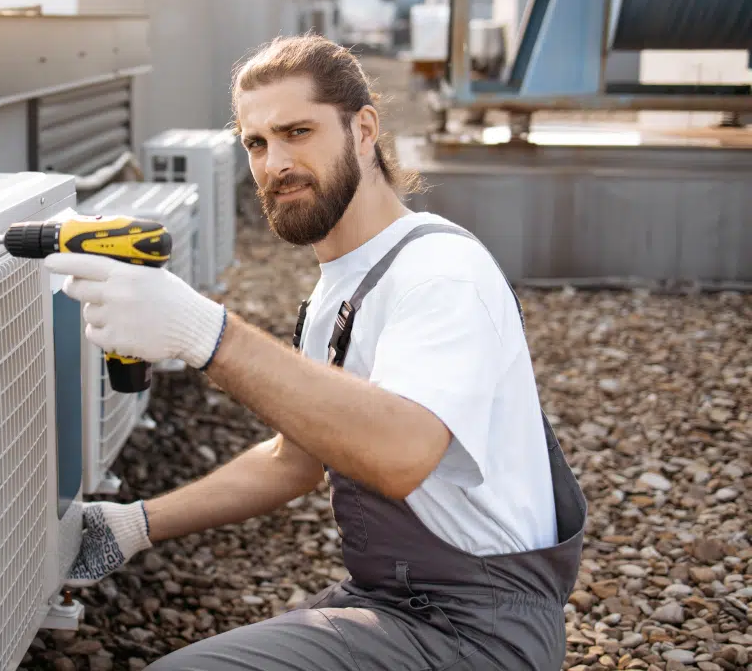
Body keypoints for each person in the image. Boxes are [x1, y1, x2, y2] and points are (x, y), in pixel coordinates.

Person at [45, 34, 586, 670]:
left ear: (362, 129)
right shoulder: (339, 289)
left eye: (297, 131)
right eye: (256, 143)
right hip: (399, 604)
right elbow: (293, 462)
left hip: (479, 635)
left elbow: (403, 451)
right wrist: (133, 525)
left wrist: (204, 333)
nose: (275, 163)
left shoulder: (439, 272)